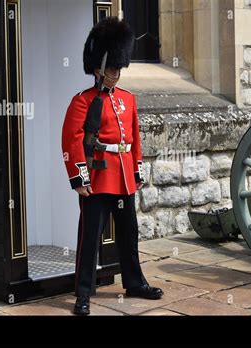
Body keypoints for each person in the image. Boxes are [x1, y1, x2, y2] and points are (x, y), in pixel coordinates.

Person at [61, 17, 163, 316]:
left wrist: (136, 172)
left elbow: (134, 140)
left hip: (123, 180)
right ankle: (82, 294)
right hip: (97, 179)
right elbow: (71, 142)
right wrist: (79, 177)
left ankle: (135, 283)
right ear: (97, 69)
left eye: (118, 68)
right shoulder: (82, 101)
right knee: (89, 238)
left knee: (129, 235)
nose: (116, 74)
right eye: (111, 68)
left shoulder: (128, 100)